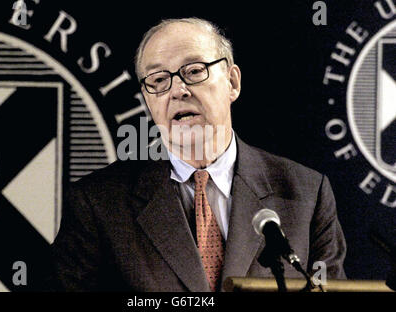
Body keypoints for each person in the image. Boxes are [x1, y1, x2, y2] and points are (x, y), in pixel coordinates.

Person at [50, 17, 347, 292]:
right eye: (158, 80)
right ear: (147, 99)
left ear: (232, 82)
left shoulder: (306, 194)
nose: (178, 90)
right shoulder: (98, 204)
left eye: (194, 71)